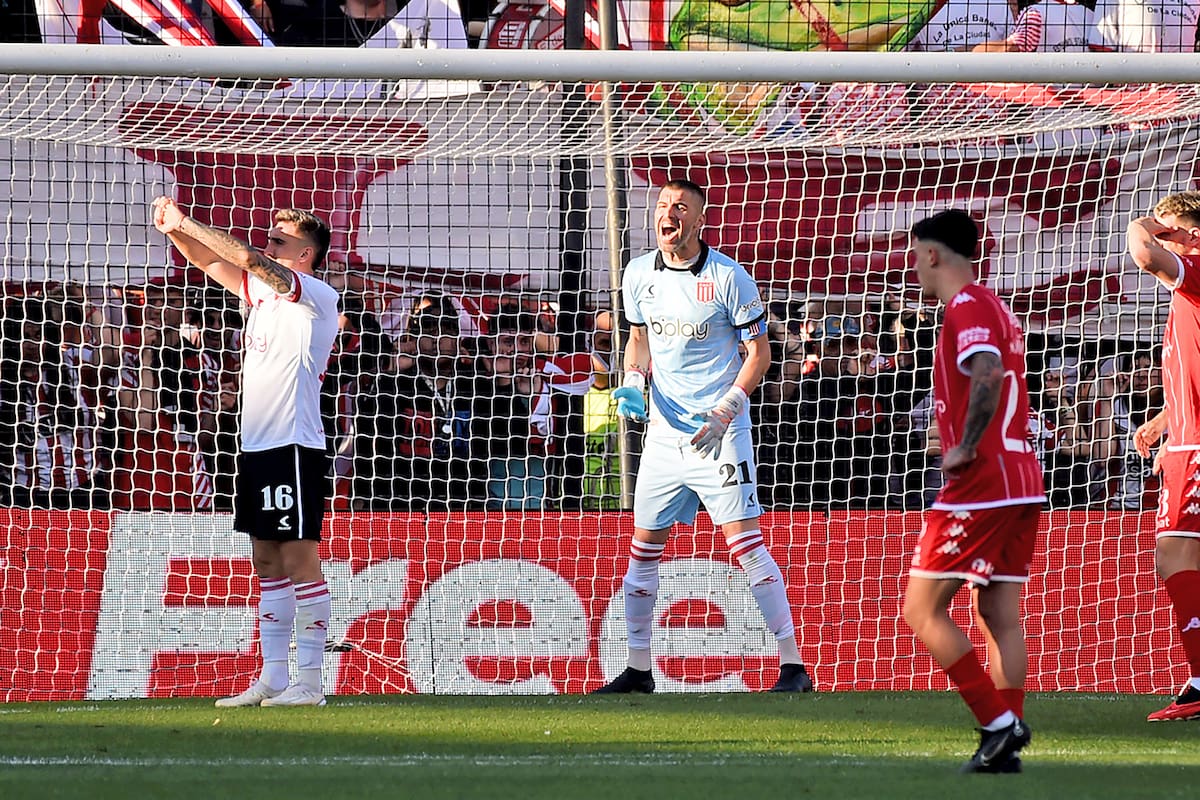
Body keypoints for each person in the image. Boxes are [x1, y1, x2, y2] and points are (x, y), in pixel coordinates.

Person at [593, 178, 814, 694]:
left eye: (680, 207)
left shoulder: (728, 277)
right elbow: (639, 339)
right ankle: (639, 669)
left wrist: (726, 410)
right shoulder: (638, 274)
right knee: (643, 552)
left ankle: (793, 667)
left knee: (748, 548)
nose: (668, 214)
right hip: (665, 437)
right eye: (663, 205)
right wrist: (631, 381)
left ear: (698, 219)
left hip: (721, 432)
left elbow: (759, 354)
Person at [152, 196, 340, 708]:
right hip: (257, 446)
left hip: (294, 445)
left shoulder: (315, 294)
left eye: (281, 240)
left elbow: (246, 259)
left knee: (299, 558)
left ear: (304, 255)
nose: (268, 243)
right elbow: (212, 262)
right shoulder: (263, 296)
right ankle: (274, 677)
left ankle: (311, 682)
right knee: (265, 559)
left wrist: (188, 220)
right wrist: (174, 232)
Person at [902, 209, 1043, 773]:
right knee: (999, 614)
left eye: (914, 255)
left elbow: (986, 371)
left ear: (933, 255)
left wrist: (964, 444)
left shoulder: (966, 306)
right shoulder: (996, 306)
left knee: (921, 608)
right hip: (1021, 479)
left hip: (982, 481)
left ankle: (999, 722)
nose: (912, 267)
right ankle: (1003, 748)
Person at [1125, 191, 1200, 722]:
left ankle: (1199, 682)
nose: (1158, 234)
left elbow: (1144, 254)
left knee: (1174, 552)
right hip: (1187, 438)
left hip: (1199, 447)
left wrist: (1144, 223)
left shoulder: (1196, 268)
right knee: (1181, 555)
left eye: (1169, 227)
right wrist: (1165, 421)